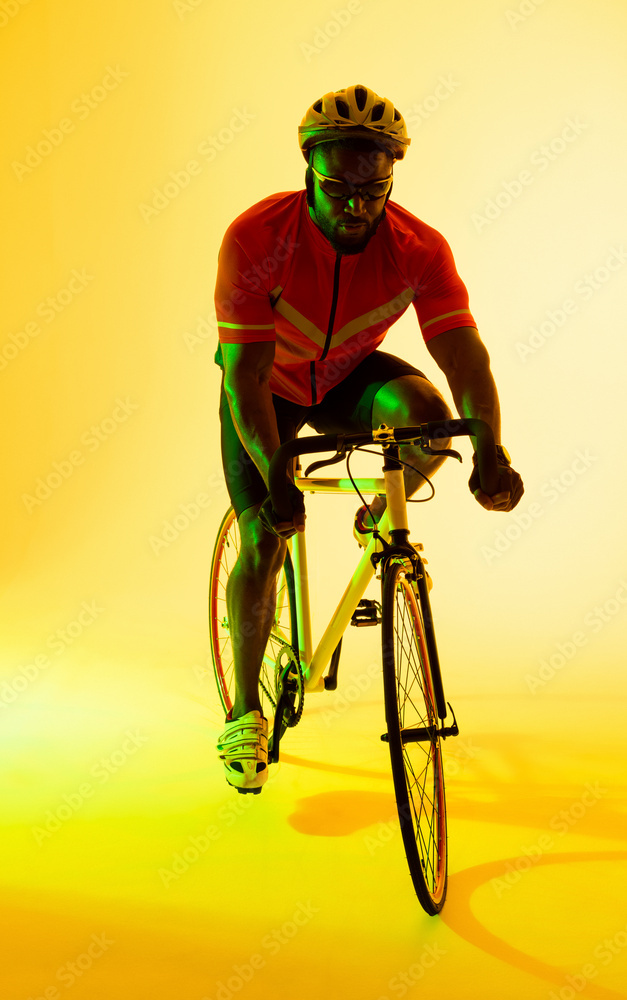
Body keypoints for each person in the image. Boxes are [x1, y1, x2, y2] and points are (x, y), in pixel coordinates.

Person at [214, 84, 523, 793]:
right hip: (268, 386)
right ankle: (244, 711)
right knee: (265, 531)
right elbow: (246, 377)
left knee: (427, 414)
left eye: (372, 189)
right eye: (337, 187)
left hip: (349, 378)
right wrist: (273, 476)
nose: (355, 205)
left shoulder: (418, 248)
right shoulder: (255, 238)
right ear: (307, 171)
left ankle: (378, 521)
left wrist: (489, 450)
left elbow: (463, 356)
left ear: (390, 179)